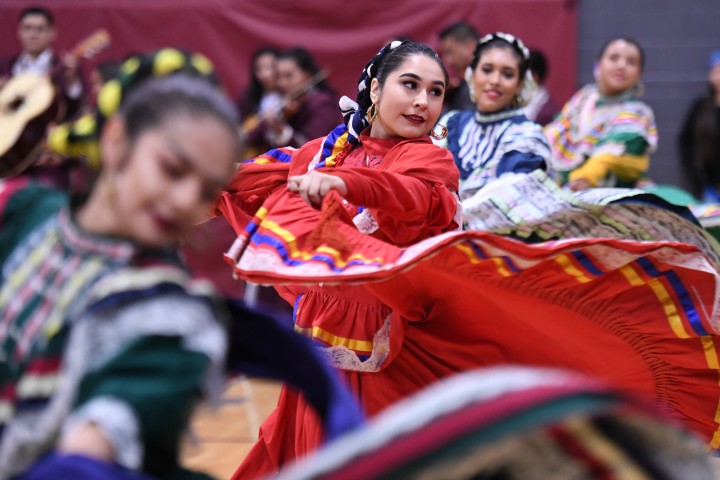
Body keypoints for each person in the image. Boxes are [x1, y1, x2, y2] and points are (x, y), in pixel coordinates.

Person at [0, 48, 363, 480]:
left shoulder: (171, 312)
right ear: (116, 142)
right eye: (173, 170)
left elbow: (88, 453)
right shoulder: (23, 210)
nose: (186, 200)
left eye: (207, 186)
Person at [216, 40, 460, 478]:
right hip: (321, 347)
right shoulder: (325, 152)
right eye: (410, 85)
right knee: (297, 457)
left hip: (392, 359)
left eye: (436, 91)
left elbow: (407, 196)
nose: (423, 101)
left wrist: (348, 185)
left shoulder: (429, 160)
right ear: (376, 88)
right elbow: (254, 177)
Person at [436, 32, 551, 203]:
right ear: (472, 75)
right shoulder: (450, 123)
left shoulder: (528, 135)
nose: (495, 80)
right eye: (487, 70)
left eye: (507, 74)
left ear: (519, 84)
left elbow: (512, 198)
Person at [545, 36, 658, 191]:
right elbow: (553, 134)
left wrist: (587, 176)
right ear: (598, 65)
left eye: (631, 62)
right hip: (561, 185)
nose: (621, 65)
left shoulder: (638, 114)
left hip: (613, 194)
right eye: (614, 58)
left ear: (639, 74)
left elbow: (608, 156)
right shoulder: (581, 101)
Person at [242, 47, 340, 151]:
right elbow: (254, 137)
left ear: (307, 74)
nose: (282, 83)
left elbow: (312, 149)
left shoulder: (322, 103)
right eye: (278, 77)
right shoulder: (286, 103)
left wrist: (282, 131)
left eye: (289, 76)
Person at [0, 6, 86, 122]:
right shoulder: (5, 67)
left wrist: (71, 80)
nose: (33, 35)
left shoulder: (65, 68)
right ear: (18, 32)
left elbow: (76, 110)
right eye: (27, 28)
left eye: (40, 29)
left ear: (52, 33)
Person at [679, 48, 720, 203]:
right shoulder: (701, 106)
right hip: (708, 186)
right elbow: (685, 141)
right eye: (717, 71)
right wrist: (695, 175)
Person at [237, 46, 282, 156]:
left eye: (270, 67)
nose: (265, 74)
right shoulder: (249, 98)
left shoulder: (290, 95)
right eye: (259, 69)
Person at [437, 21, 480, 113]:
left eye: (449, 52)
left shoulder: (479, 87)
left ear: (471, 46)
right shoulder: (458, 87)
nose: (447, 60)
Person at [524, 48, 560, 126]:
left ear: (539, 75)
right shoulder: (515, 97)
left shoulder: (548, 110)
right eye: (524, 73)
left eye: (531, 74)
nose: (526, 78)